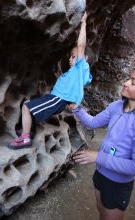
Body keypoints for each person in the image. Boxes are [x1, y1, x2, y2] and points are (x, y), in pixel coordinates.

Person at [8, 12, 93, 150]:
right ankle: (27, 129)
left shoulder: (81, 66)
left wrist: (84, 23)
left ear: (85, 58)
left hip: (58, 99)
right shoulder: (78, 73)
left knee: (27, 107)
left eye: (73, 56)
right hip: (56, 99)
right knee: (28, 105)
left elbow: (81, 45)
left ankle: (25, 138)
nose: (70, 59)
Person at [70, 69, 135, 220]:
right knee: (101, 209)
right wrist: (76, 108)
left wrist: (98, 156)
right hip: (100, 173)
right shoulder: (117, 106)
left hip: (117, 184)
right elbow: (93, 122)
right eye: (128, 79)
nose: (125, 83)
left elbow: (134, 166)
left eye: (133, 82)